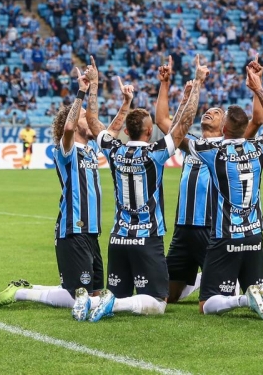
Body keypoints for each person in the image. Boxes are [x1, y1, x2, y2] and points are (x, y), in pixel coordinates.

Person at [78, 56, 206, 323]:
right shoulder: (155, 153)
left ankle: (98, 301)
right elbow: (183, 126)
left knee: (121, 293)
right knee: (158, 303)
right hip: (147, 238)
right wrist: (196, 86)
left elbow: (92, 120)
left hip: (118, 239)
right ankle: (112, 303)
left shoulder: (114, 150)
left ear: (126, 130)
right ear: (149, 132)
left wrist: (94, 84)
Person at [0, 68, 107, 311]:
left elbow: (99, 123)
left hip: (92, 229)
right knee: (78, 298)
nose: (90, 119)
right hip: (73, 228)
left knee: (95, 293)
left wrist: (95, 85)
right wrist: (81, 92)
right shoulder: (66, 150)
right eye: (83, 116)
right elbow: (69, 128)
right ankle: (21, 293)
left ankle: (28, 287)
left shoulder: (92, 148)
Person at [154, 56, 263, 304]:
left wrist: (258, 85)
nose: (209, 112)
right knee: (168, 296)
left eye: (216, 112)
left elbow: (257, 120)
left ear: (225, 125)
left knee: (222, 295)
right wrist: (165, 84)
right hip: (184, 228)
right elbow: (162, 121)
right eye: (207, 111)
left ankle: (216, 280)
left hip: (213, 228)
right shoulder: (193, 144)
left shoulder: (229, 146)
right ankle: (197, 280)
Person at [189, 62, 263, 322]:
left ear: (223, 130)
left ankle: (244, 299)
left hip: (226, 237)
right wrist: (258, 89)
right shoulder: (259, 147)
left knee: (206, 304)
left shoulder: (213, 152)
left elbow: (177, 134)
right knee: (256, 284)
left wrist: (196, 86)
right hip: (255, 235)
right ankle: (260, 294)